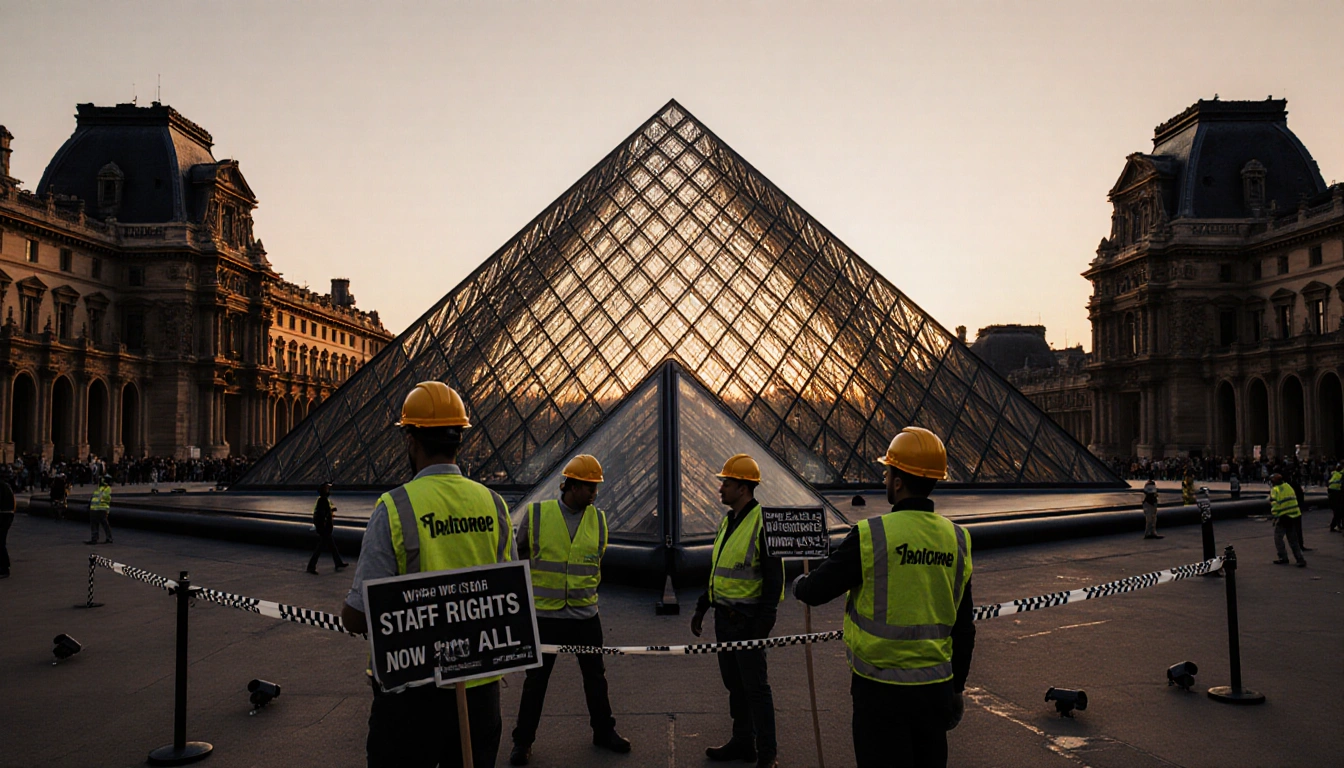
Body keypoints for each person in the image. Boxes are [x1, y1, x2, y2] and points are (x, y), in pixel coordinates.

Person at [340, 381, 515, 768]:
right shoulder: (495, 505)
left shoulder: (395, 507)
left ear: (411, 440)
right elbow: (510, 598)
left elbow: (358, 615)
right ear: (460, 441)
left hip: (410, 693)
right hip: (481, 691)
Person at [793, 426, 975, 768]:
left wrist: (798, 583)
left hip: (880, 692)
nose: (885, 478)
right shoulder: (958, 540)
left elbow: (816, 591)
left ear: (898, 482)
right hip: (935, 690)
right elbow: (964, 628)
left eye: (887, 471)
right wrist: (957, 687)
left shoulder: (870, 536)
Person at [508, 454, 630, 766]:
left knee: (595, 678)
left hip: (585, 615)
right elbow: (517, 555)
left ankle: (604, 731)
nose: (594, 494)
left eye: (596, 487)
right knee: (536, 681)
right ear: (570, 486)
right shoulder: (536, 515)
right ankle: (522, 741)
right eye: (589, 487)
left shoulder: (599, 520)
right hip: (545, 614)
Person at [691, 454, 783, 768]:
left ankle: (767, 753)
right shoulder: (728, 521)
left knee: (756, 688)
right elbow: (721, 569)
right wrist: (704, 605)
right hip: (725, 618)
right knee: (735, 686)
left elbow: (774, 578)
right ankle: (743, 742)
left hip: (747, 621)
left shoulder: (763, 523)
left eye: (726, 483)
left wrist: (764, 621)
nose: (721, 488)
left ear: (743, 488)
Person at [306, 482, 348, 574]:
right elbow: (323, 514)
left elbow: (323, 512)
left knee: (332, 546)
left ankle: (338, 562)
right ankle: (311, 566)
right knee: (320, 548)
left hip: (324, 528)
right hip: (324, 529)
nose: (328, 490)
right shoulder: (323, 500)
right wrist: (325, 526)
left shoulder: (322, 500)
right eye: (327, 489)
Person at [1269, 473, 1306, 567]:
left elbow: (1275, 505)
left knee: (1278, 538)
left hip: (1283, 516)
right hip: (1293, 515)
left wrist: (1274, 516)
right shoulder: (1288, 486)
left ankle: (1283, 557)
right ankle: (1300, 559)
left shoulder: (1275, 490)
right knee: (1293, 539)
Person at [85, 475, 113, 545]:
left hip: (98, 508)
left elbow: (99, 498)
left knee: (96, 524)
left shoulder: (103, 488)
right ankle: (107, 538)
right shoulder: (104, 488)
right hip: (99, 508)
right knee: (103, 524)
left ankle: (95, 538)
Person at [0, 471, 14, 578]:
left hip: (2, 516)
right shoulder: (6, 487)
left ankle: (4, 568)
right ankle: (5, 565)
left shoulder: (2, 487)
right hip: (8, 515)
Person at [1328, 463, 1343, 533]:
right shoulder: (1341, 474)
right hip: (1337, 493)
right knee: (1338, 511)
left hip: (1332, 493)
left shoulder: (1335, 473)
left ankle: (1335, 526)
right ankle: (1336, 526)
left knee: (1337, 511)